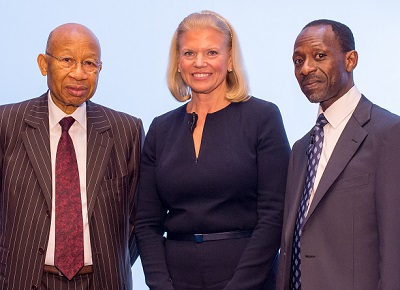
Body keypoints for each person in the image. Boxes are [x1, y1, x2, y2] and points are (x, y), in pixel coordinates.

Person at [135, 10, 290, 290]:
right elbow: (146, 223)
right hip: (176, 281)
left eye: (211, 52)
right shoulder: (160, 129)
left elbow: (274, 216)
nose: (199, 63)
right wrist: (160, 285)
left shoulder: (262, 117)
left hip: (249, 281)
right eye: (189, 53)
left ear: (229, 60)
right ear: (178, 62)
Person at [0, 23, 143, 290]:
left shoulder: (127, 131)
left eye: (89, 63)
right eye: (67, 60)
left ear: (100, 69)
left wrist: (112, 264)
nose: (79, 73)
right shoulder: (6, 124)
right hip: (23, 280)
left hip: (103, 282)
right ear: (44, 64)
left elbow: (139, 218)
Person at [276, 19, 400, 290]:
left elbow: (395, 251)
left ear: (350, 60)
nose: (306, 68)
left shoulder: (389, 133)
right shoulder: (300, 149)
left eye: (319, 56)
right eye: (298, 61)